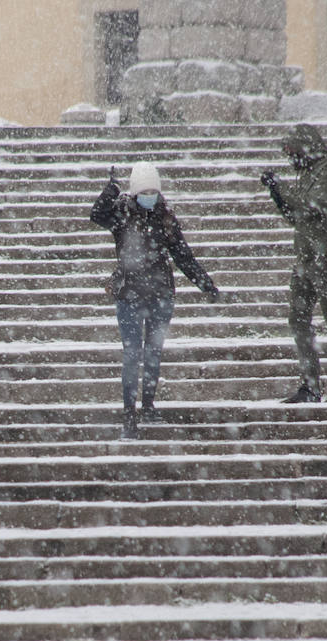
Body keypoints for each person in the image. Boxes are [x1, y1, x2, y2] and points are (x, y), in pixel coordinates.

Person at [91, 162, 220, 439]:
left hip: (161, 296)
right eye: (144, 190)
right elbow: (96, 214)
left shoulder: (165, 217)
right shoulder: (122, 215)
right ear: (135, 192)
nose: (150, 195)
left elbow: (183, 256)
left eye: (154, 190)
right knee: (132, 355)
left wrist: (205, 284)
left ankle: (148, 406)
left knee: (153, 353)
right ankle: (129, 415)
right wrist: (111, 189)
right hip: (129, 295)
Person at [261, 123, 327, 404]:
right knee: (298, 319)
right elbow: (296, 217)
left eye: (293, 152)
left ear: (308, 148)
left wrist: (281, 187)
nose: (291, 159)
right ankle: (310, 386)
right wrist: (277, 194)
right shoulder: (307, 174)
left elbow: (311, 206)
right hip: (306, 258)